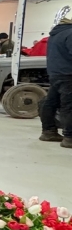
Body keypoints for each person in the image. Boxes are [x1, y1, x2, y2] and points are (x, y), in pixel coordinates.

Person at [40, 18, 72, 147]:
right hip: (68, 74)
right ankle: (69, 137)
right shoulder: (70, 33)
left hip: (55, 73)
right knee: (69, 106)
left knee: (51, 102)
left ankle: (48, 131)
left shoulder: (55, 34)